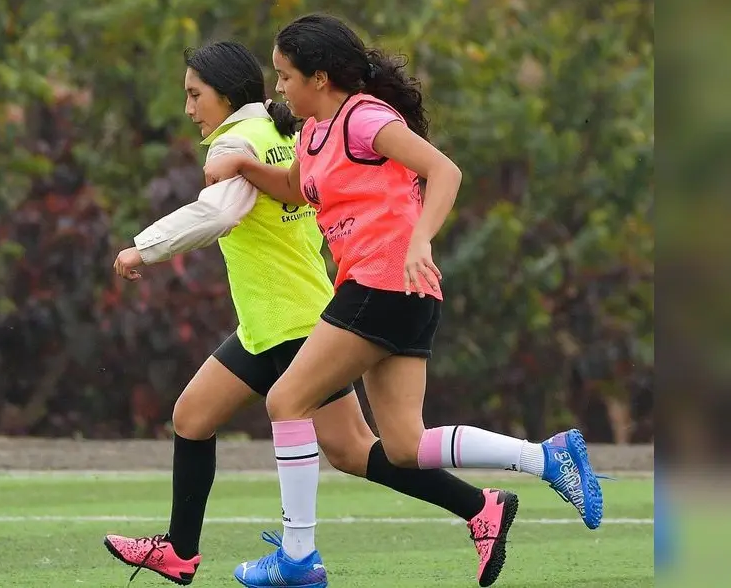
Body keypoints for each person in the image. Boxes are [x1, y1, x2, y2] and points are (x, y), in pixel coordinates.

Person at [202, 14, 605, 588]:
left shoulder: (364, 118)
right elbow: (296, 188)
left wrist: (420, 239)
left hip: (384, 283)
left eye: (285, 74)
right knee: (406, 445)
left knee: (287, 400)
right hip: (399, 293)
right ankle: (546, 457)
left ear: (319, 77)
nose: (279, 87)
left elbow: (445, 171)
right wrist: (243, 165)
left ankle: (298, 559)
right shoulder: (314, 134)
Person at [103, 40, 523, 587]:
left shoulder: (236, 140)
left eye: (194, 94)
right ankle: (181, 551)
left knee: (352, 446)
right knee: (200, 417)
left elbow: (217, 213)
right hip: (274, 319)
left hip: (292, 322)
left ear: (226, 94)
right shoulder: (285, 133)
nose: (189, 108)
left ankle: (312, 552)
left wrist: (143, 247)